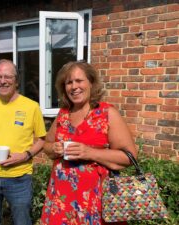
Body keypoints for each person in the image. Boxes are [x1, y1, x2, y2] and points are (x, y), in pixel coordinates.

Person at [40, 61, 137, 225]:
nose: (73, 86)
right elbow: (47, 146)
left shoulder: (107, 113)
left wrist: (89, 152)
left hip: (97, 200)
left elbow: (129, 157)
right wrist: (54, 149)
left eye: (79, 81)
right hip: (62, 200)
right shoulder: (63, 115)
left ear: (91, 83)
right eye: (69, 82)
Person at [0, 59, 46, 225]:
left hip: (19, 177)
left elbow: (41, 139)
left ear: (16, 80)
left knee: (22, 222)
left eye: (7, 76)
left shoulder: (32, 107)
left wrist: (25, 155)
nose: (3, 81)